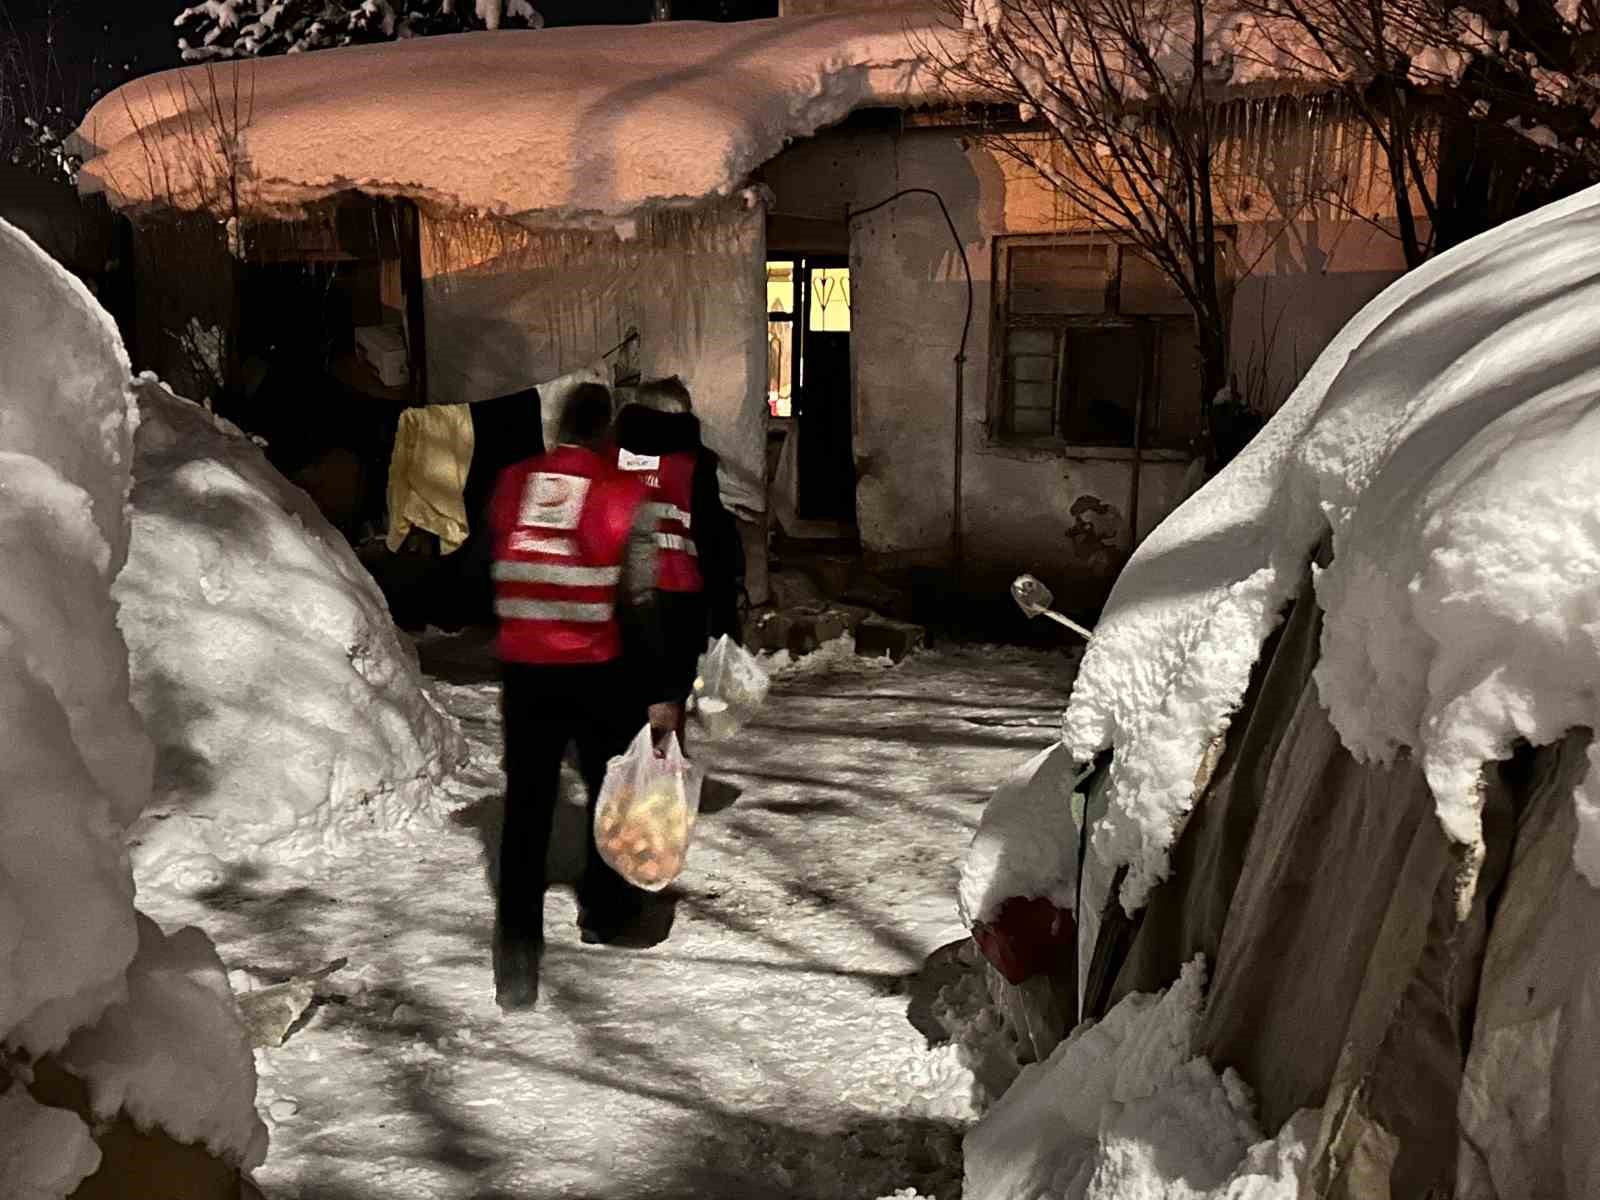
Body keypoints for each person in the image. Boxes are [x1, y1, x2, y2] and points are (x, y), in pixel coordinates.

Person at [486, 381, 676, 1011]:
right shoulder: (624, 494)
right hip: (596, 666)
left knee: (527, 808)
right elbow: (641, 600)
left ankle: (516, 957)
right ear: (606, 435)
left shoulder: (512, 481)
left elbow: (495, 553)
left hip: (523, 668)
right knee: (608, 790)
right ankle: (607, 913)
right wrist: (660, 690)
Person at [613, 375, 745, 742]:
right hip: (677, 595)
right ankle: (663, 769)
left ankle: (630, 766)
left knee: (629, 689)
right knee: (670, 691)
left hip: (621, 593)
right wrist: (725, 618)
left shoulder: (611, 457)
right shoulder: (694, 464)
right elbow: (713, 540)